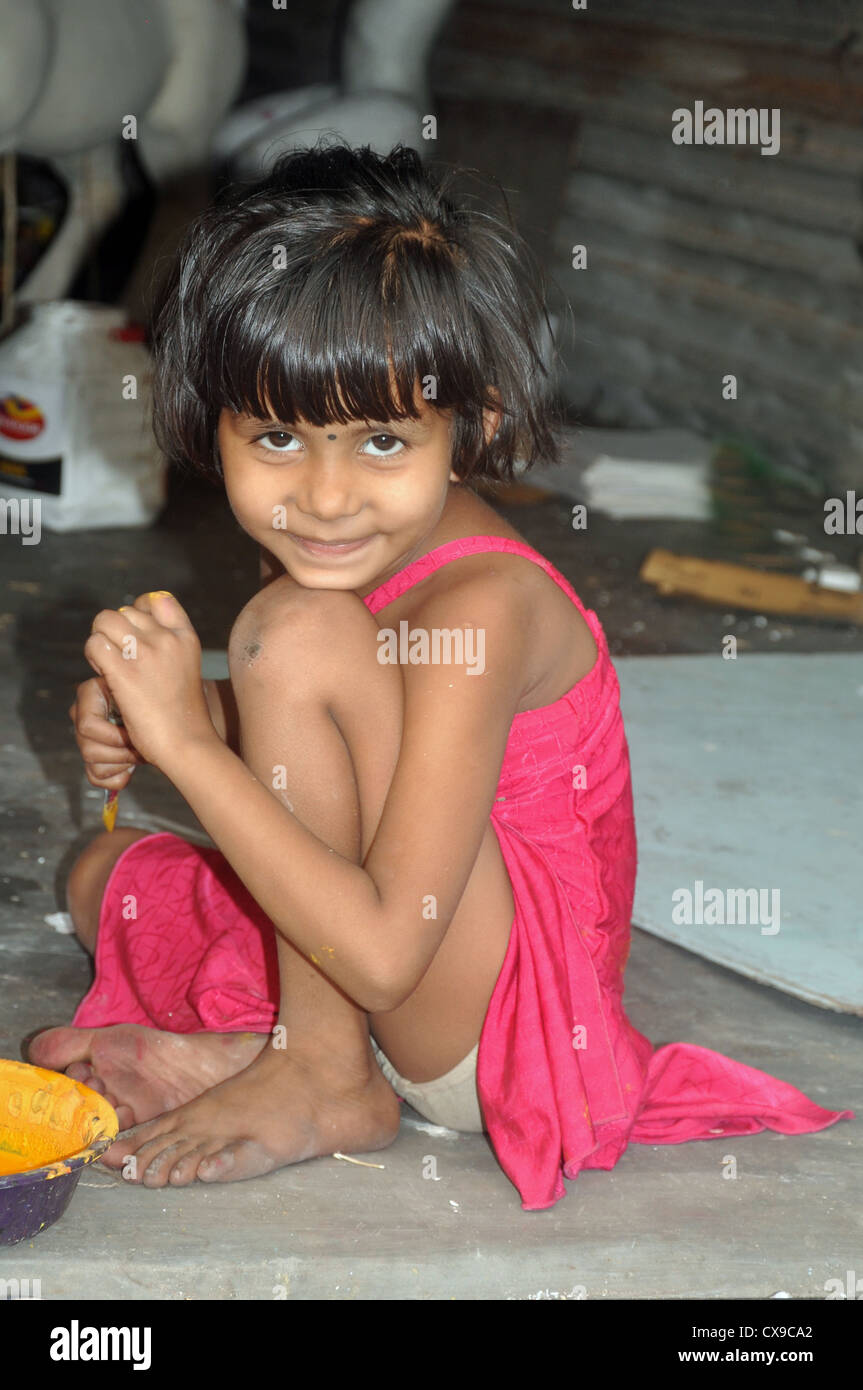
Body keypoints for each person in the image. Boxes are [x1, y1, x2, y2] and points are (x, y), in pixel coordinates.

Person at [28, 142, 851, 1210]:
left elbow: (378, 955)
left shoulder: (483, 607)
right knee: (108, 878)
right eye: (275, 435)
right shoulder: (353, 545)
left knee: (290, 635)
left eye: (380, 442)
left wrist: (188, 746)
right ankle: (288, 1048)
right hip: (415, 937)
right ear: (208, 419)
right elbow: (335, 739)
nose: (325, 497)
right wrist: (184, 715)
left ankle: (322, 1072)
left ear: (474, 422)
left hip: (493, 1026)